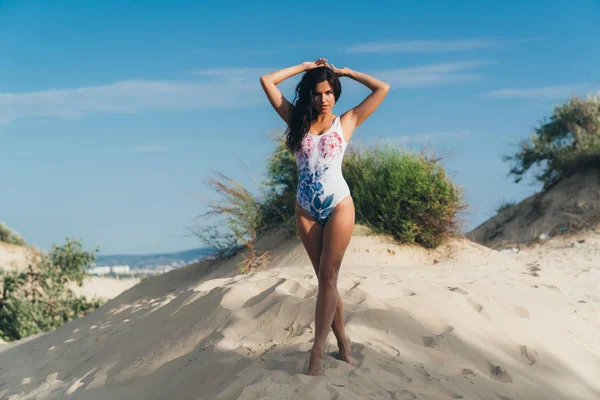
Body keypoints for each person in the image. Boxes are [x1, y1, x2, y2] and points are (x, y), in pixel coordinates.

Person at [260, 58, 389, 376]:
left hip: (338, 206)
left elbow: (382, 88)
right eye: (317, 93)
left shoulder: (346, 121)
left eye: (329, 92)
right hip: (305, 210)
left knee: (328, 279)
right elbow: (266, 81)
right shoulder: (296, 121)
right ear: (309, 95)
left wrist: (348, 72)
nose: (323, 99)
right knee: (325, 282)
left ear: (336, 93)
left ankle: (316, 353)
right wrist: (303, 67)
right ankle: (343, 344)